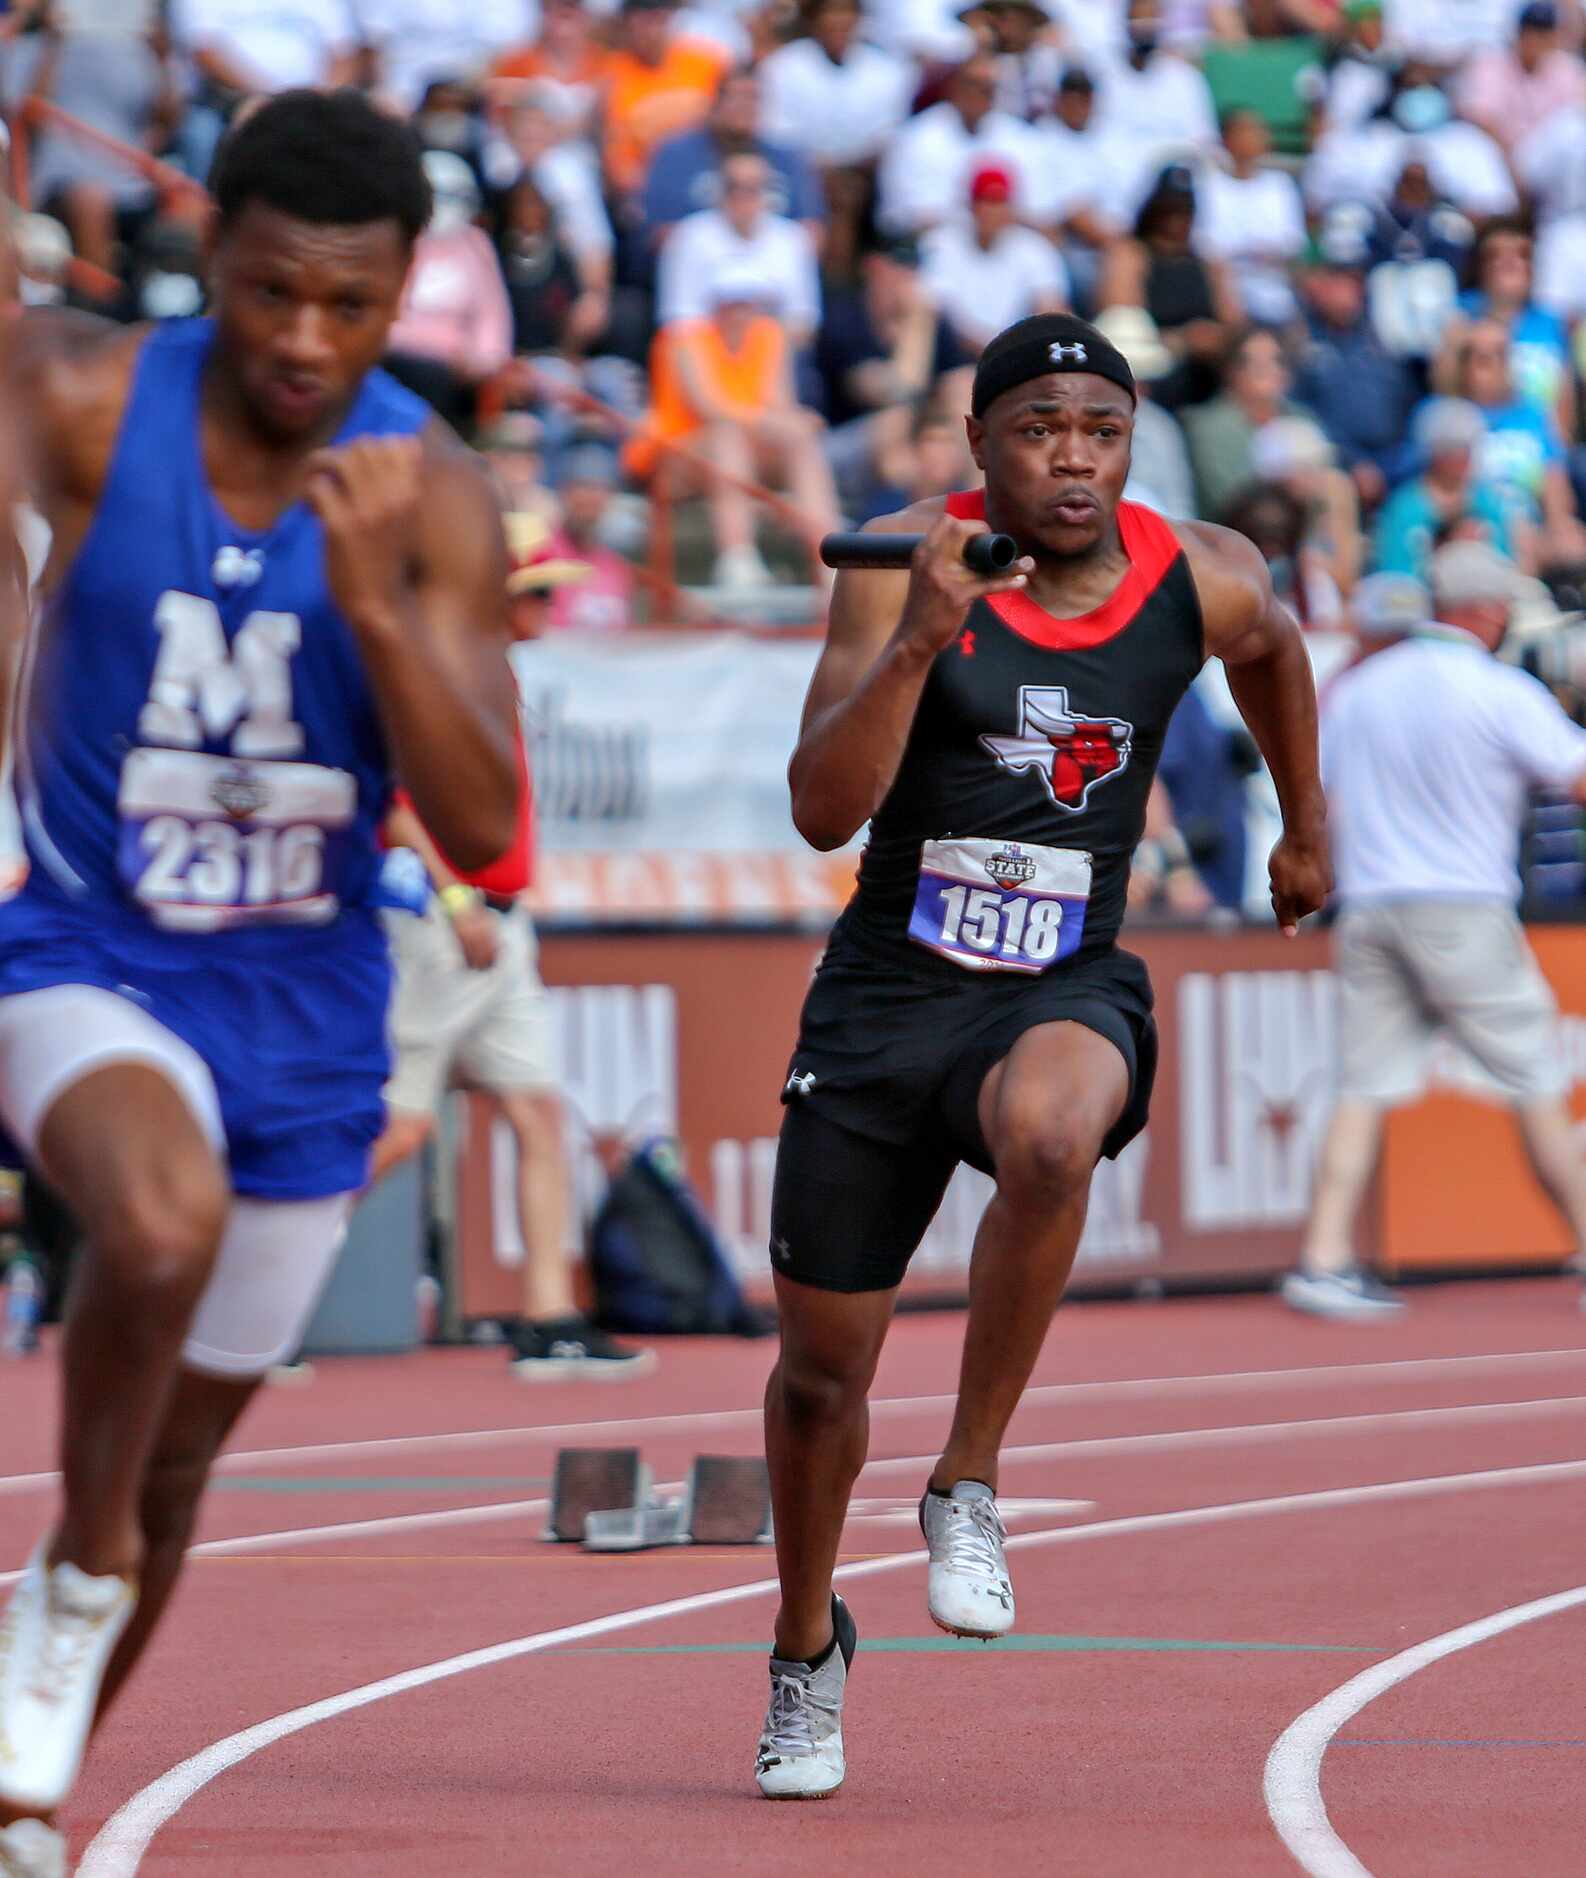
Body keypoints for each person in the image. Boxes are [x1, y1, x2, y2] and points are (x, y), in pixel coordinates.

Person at [0, 90, 523, 1876]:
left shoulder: (434, 489)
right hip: (87, 950)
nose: (305, 340)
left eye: (351, 308)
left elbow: (485, 826)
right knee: (155, 1230)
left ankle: (20, 1806)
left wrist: (374, 602)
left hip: (306, 1013)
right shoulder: (79, 389)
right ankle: (63, 1583)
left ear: (402, 303)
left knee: (171, 1476)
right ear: (207, 251)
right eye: (272, 290)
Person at [754, 311, 1330, 1799]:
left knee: (1057, 1136)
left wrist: (1302, 820)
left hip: (1059, 976)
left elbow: (1270, 653)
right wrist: (918, 642)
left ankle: (967, 1478)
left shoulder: (1201, 572)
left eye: (1098, 429)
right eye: (1036, 429)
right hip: (886, 995)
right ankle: (807, 1645)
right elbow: (822, 809)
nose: (1070, 457)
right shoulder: (899, 561)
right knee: (820, 1377)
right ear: (978, 446)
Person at [370, 535, 655, 1380]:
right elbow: (389, 802)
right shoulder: (444, 672)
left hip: (499, 926)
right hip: (445, 925)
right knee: (401, 1125)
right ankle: (246, 1282)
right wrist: (455, 900)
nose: (547, 608)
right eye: (534, 593)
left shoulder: (492, 673)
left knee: (537, 1113)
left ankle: (548, 1318)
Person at [1285, 540, 1586, 1321]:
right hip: (1460, 905)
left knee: (1360, 1085)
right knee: (1538, 1081)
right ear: (1485, 613)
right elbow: (1576, 775)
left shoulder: (1360, 688)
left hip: (1373, 906)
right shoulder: (1497, 688)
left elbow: (1323, 799)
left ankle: (1321, 1260)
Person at [919, 162, 1068, 355]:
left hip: (1017, 354)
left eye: (999, 201)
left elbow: (1052, 307)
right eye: (985, 200)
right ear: (971, 205)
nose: (992, 210)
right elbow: (940, 312)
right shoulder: (941, 243)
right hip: (955, 354)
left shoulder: (1034, 247)